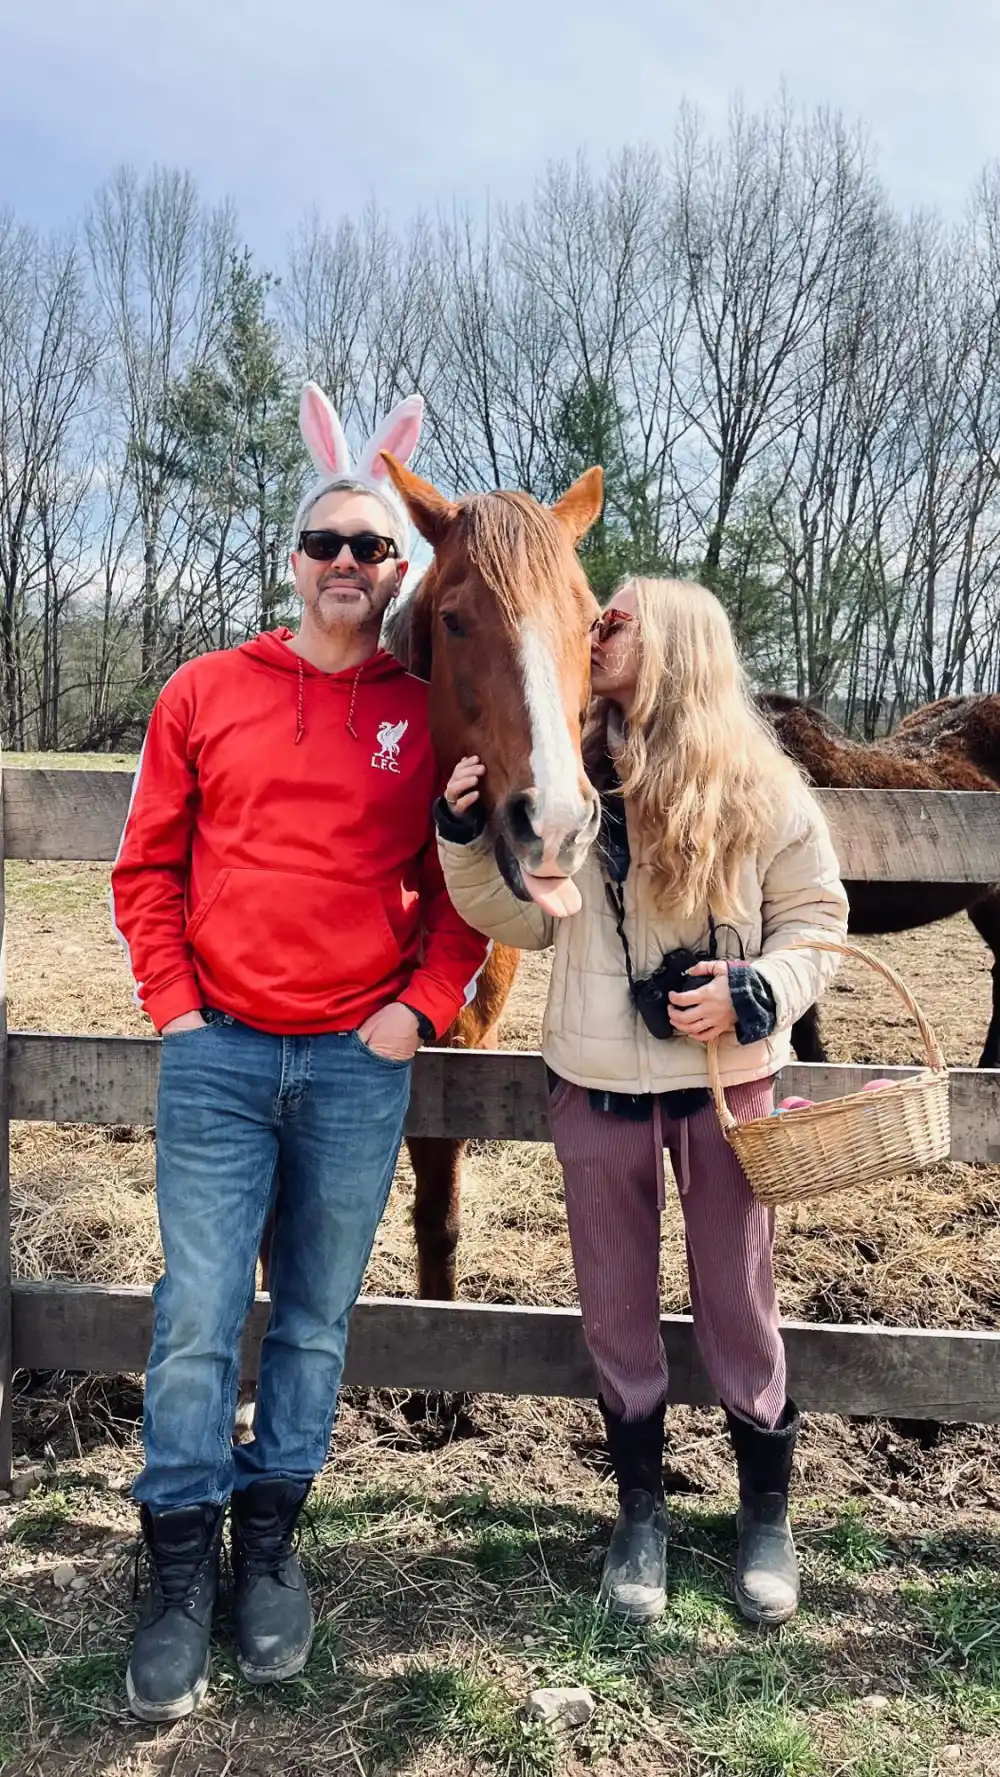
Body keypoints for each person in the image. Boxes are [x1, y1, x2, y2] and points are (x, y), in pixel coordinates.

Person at [110, 383, 489, 1722]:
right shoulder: (206, 690)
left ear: (396, 572)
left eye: (371, 547)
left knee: (317, 1318)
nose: (346, 562)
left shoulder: (424, 715)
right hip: (218, 1053)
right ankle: (177, 1566)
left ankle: (268, 1548)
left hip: (350, 1063)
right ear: (294, 559)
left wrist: (419, 1009)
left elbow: (463, 891)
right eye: (326, 541)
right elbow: (146, 865)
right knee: (199, 1311)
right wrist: (173, 1005)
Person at [435, 576, 848, 1626]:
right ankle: (640, 1516)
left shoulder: (761, 783)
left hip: (725, 1089)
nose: (594, 628)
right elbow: (518, 920)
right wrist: (460, 838)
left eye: (613, 617)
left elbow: (816, 918)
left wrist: (761, 989)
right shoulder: (567, 773)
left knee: (740, 1305)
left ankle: (766, 1515)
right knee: (615, 1311)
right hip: (598, 1088)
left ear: (676, 642)